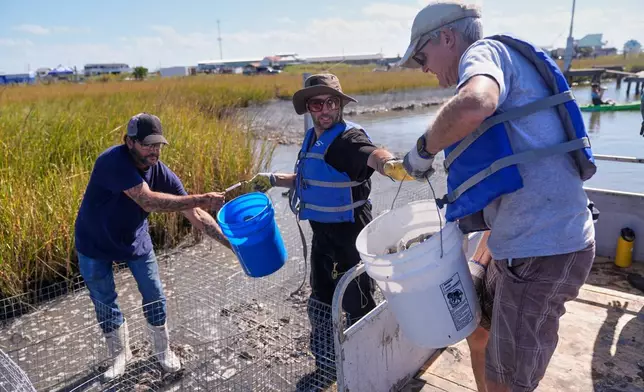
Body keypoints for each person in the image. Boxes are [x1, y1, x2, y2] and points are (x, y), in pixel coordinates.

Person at [398, 2, 597, 391]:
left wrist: (423, 150)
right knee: (477, 331)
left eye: (422, 56)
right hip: (513, 239)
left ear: (448, 38)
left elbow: (476, 103)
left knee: (507, 382)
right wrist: (489, 237)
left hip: (544, 248)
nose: (423, 67)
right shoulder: (505, 66)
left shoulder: (483, 53)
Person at [248, 73, 408, 389]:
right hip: (323, 236)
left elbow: (372, 154)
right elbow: (310, 176)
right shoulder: (313, 138)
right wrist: (272, 179)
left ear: (340, 105)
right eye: (317, 103)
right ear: (309, 107)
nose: (324, 110)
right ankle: (327, 367)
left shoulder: (347, 140)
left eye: (330, 102)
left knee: (358, 304)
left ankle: (368, 366)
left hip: (351, 234)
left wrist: (393, 166)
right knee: (320, 300)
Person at [74, 113, 231, 382]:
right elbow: (148, 201)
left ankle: (162, 349)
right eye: (148, 145)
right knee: (104, 299)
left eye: (158, 145)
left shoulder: (160, 171)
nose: (154, 151)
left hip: (135, 239)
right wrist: (204, 198)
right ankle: (120, 354)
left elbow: (195, 213)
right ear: (129, 142)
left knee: (154, 292)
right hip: (94, 241)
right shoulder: (113, 162)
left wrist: (232, 245)